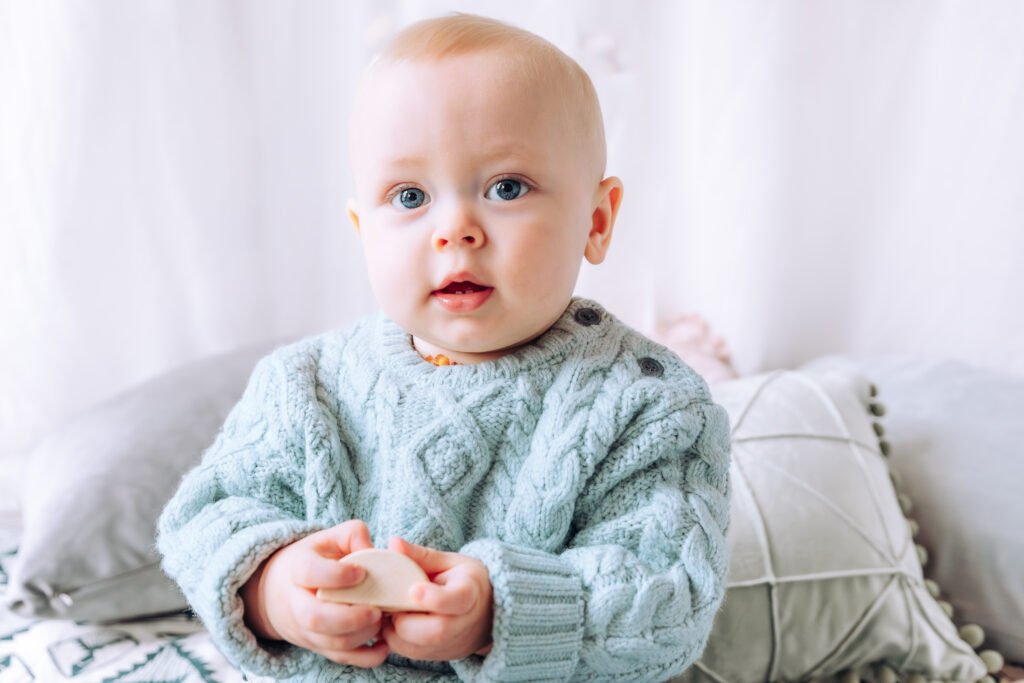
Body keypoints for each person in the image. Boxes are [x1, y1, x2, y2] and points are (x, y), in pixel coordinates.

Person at [157, 12, 731, 682]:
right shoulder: (304, 386)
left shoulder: (649, 404)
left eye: (506, 187)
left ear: (596, 221)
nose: (455, 229)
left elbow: (668, 600)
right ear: (363, 229)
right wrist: (273, 587)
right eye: (409, 196)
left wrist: (500, 611)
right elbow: (204, 522)